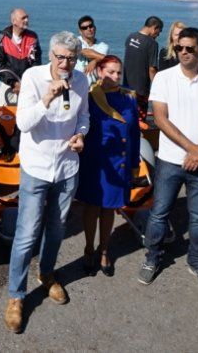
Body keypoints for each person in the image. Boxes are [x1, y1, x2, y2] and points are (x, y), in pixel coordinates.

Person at [4, 32, 89, 334]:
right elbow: (23, 123)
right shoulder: (32, 77)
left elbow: (84, 117)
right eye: (60, 57)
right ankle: (16, 295)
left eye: (72, 58)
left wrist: (81, 135)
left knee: (56, 229)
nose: (66, 63)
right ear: (51, 55)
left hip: (67, 167)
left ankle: (46, 274)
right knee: (27, 234)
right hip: (37, 166)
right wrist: (47, 97)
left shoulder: (81, 80)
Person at [139, 27, 198, 293]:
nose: (184, 52)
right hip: (170, 160)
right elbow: (161, 119)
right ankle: (152, 258)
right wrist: (193, 149)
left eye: (190, 48)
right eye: (180, 48)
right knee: (159, 214)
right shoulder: (164, 78)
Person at [76, 55, 139, 277]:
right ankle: (88, 248)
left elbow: (134, 134)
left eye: (118, 73)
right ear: (100, 72)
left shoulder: (129, 98)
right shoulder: (89, 96)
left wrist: (133, 164)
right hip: (95, 161)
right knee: (92, 207)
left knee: (109, 208)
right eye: (110, 72)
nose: (115, 77)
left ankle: (104, 250)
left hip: (119, 162)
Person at [0, 8, 41, 106]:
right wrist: (13, 82)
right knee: (5, 115)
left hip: (27, 85)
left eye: (27, 17)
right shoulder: (3, 37)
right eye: (23, 18)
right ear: (14, 21)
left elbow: (36, 62)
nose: (26, 20)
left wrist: (27, 82)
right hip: (8, 85)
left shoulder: (33, 37)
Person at [122, 16, 163, 105]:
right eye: (158, 33)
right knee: (139, 117)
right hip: (140, 91)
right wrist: (158, 88)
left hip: (125, 87)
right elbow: (152, 69)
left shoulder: (130, 37)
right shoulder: (152, 44)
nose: (158, 35)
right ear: (154, 28)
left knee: (127, 115)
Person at [75, 15, 109, 83]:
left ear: (95, 28)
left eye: (91, 26)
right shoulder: (76, 41)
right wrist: (100, 58)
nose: (89, 29)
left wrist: (95, 61)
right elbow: (86, 52)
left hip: (93, 87)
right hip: (76, 83)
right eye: (84, 28)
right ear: (80, 31)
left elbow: (105, 60)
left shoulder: (103, 46)